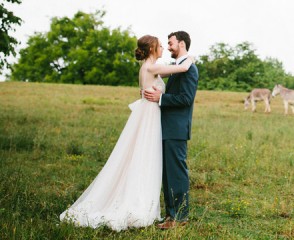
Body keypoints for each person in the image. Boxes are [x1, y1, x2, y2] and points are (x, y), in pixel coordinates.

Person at [60, 35, 194, 231]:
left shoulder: (149, 67)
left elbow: (170, 75)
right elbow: (182, 68)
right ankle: (137, 204)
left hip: (148, 115)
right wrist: (190, 58)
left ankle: (146, 202)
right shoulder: (151, 66)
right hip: (149, 117)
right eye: (160, 45)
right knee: (145, 158)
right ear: (152, 49)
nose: (164, 47)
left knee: (140, 157)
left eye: (167, 44)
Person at [143, 31, 199, 229]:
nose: (167, 47)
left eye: (171, 43)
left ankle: (180, 217)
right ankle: (171, 215)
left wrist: (160, 98)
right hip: (166, 128)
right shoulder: (179, 67)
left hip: (176, 129)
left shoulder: (190, 69)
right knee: (168, 174)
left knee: (176, 173)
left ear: (181, 44)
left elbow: (186, 99)